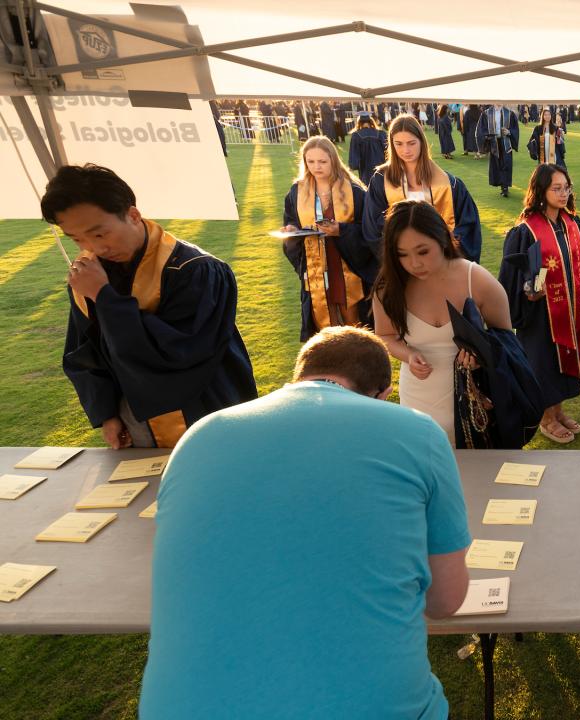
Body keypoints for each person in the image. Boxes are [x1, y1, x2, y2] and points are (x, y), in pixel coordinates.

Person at [140, 326, 471, 720]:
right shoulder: (416, 431)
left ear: (298, 377)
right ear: (382, 394)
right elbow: (445, 601)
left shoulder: (199, 435)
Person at [42, 164, 256, 449]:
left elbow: (178, 353)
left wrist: (105, 298)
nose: (94, 248)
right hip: (135, 422)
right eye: (77, 238)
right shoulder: (89, 277)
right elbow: (84, 352)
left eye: (99, 234)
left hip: (207, 412)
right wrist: (106, 412)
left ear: (132, 215)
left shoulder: (196, 271)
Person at [373, 201, 512, 446]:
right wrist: (409, 354)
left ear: (443, 239)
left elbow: (507, 342)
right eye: (402, 255)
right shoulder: (389, 288)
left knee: (477, 474)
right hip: (419, 396)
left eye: (423, 251)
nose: (414, 263)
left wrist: (480, 356)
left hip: (474, 397)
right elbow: (384, 336)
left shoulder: (476, 279)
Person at [499, 164, 580, 444]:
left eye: (567, 187)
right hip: (539, 315)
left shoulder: (573, 225)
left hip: (569, 309)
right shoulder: (525, 230)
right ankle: (545, 418)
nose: (564, 193)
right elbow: (510, 276)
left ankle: (557, 410)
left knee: (562, 362)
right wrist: (527, 293)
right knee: (543, 364)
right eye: (557, 188)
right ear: (541, 190)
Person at [280, 136, 377, 341]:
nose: (317, 167)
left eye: (323, 161)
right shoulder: (296, 192)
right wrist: (291, 231)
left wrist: (341, 230)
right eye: (311, 161)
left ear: (333, 159)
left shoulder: (355, 192)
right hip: (315, 268)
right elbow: (291, 222)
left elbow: (370, 232)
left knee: (354, 326)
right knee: (324, 327)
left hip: (347, 266)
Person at [362, 114, 483, 262]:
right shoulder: (380, 181)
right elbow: (372, 226)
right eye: (398, 144)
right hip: (400, 263)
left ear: (421, 142)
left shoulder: (450, 185)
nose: (405, 150)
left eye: (411, 143)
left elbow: (467, 226)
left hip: (442, 262)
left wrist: (445, 248)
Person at [478, 104, 520, 197]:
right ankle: (501, 185)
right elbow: (481, 129)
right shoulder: (487, 113)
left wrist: (509, 132)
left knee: (506, 164)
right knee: (497, 165)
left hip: (505, 143)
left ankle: (505, 188)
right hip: (494, 142)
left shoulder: (509, 113)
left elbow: (515, 128)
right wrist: (486, 136)